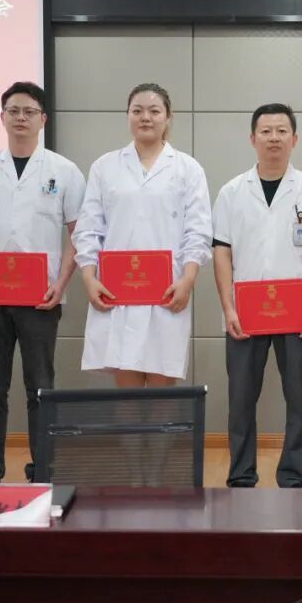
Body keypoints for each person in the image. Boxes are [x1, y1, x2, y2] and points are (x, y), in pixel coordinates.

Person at [0, 82, 86, 483]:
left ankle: (41, 470)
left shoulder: (64, 171)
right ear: (2, 118)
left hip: (41, 297)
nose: (21, 118)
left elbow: (78, 234)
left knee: (40, 387)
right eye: (13, 111)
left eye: (29, 112)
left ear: (43, 119)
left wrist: (61, 283)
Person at [212, 103, 302, 488]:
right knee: (240, 399)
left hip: (298, 312)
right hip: (244, 312)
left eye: (281, 131)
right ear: (252, 139)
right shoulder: (232, 192)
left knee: (299, 399)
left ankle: (292, 475)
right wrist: (227, 307)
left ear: (294, 139)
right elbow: (221, 252)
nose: (274, 138)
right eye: (266, 131)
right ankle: (241, 475)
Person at [74, 83, 212, 387]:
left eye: (154, 111)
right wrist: (88, 277)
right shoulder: (105, 167)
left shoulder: (188, 169)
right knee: (128, 394)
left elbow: (198, 231)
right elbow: (88, 229)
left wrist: (188, 279)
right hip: (116, 290)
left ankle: (161, 426)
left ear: (168, 117)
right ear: (128, 116)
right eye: (137, 111)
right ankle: (131, 426)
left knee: (163, 392)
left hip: (168, 289)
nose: (145, 117)